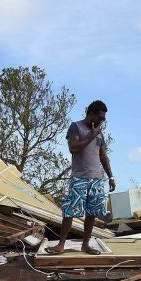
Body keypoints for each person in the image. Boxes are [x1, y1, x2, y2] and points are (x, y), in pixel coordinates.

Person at [46, 100, 116, 255]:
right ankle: (61, 245)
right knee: (70, 211)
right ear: (91, 113)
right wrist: (91, 136)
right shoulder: (76, 127)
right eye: (100, 117)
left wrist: (111, 176)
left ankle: (86, 245)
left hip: (96, 179)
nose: (102, 121)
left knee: (92, 213)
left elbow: (103, 156)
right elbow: (73, 148)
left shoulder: (99, 133)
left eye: (104, 119)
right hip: (79, 178)